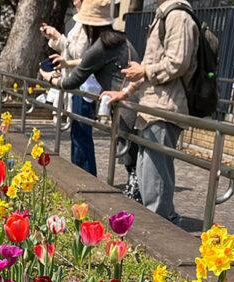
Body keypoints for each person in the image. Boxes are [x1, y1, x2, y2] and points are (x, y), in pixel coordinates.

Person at [104, 0, 198, 223]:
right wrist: (125, 93)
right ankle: (160, 225)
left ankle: (162, 230)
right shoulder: (162, 15)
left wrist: (145, 71)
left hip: (165, 108)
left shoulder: (178, 16)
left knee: (155, 179)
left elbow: (178, 63)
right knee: (147, 175)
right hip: (150, 108)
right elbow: (148, 64)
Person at [40, 0, 132, 177]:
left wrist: (49, 77)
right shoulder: (120, 41)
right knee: (83, 135)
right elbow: (85, 60)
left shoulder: (101, 45)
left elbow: (82, 65)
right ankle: (83, 174)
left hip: (97, 91)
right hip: (122, 96)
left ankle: (87, 177)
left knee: (85, 135)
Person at [41, 0, 93, 172]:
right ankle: (79, 172)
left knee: (81, 134)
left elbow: (85, 57)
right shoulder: (79, 21)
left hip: (84, 85)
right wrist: (56, 36)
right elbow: (70, 48)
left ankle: (86, 175)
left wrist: (66, 63)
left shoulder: (89, 23)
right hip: (76, 83)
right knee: (77, 133)